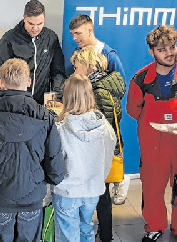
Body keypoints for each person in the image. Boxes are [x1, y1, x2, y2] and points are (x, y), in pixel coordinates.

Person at [0, 58, 65, 242]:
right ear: (28, 82)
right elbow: (56, 167)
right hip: (32, 198)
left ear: (1, 83)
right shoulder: (46, 118)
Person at [125, 25, 177, 242]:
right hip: (153, 147)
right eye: (162, 49)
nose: (170, 53)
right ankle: (154, 226)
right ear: (152, 52)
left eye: (172, 47)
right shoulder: (140, 79)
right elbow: (133, 110)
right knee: (152, 190)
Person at [68, 14, 128, 205]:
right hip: (84, 124)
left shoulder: (109, 55)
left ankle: (119, 182)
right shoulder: (78, 54)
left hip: (103, 123)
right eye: (72, 34)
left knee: (103, 184)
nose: (75, 38)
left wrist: (102, 101)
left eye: (78, 33)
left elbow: (119, 86)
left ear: (90, 30)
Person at [70, 46, 125, 242]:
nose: (75, 71)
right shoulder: (105, 86)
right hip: (103, 151)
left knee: (101, 198)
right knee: (102, 196)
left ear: (89, 67)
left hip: (98, 155)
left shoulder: (98, 92)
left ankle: (105, 236)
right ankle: (104, 234)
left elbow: (97, 126)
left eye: (77, 67)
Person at [52, 74, 116, 242]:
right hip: (92, 190)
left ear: (66, 96)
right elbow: (109, 153)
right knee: (86, 227)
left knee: (68, 235)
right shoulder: (105, 126)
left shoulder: (60, 128)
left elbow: (54, 162)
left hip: (67, 191)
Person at [0, 0, 66, 104]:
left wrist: (57, 96)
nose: (35, 28)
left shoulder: (51, 38)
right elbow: (0, 74)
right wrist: (8, 100)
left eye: (40, 23)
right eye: (30, 23)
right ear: (24, 18)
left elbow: (58, 71)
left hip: (42, 103)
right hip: (16, 103)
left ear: (44, 19)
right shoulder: (9, 39)